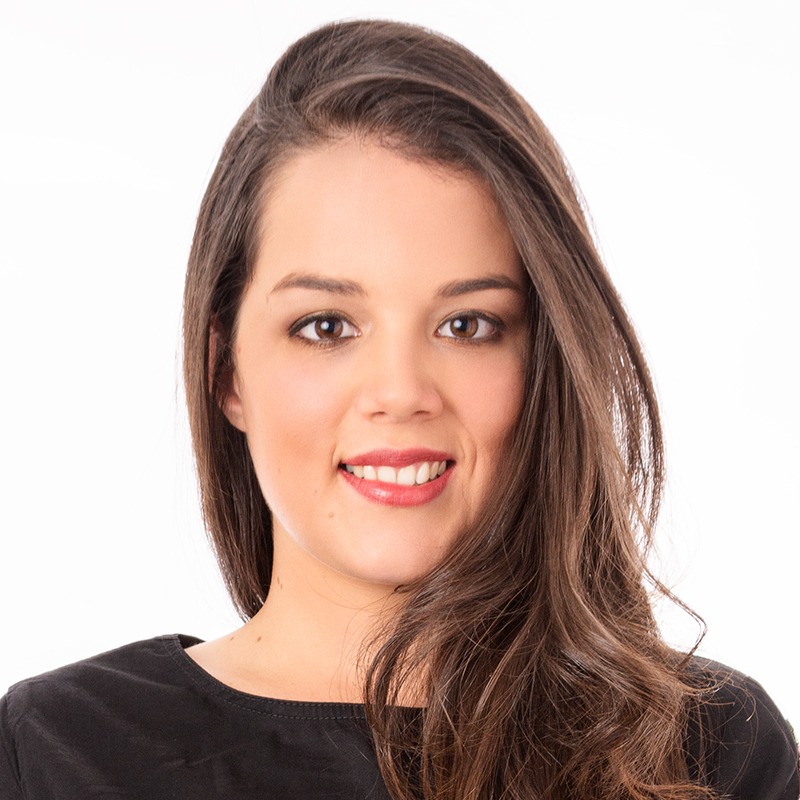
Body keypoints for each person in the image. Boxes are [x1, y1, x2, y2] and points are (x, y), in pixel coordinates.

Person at [1, 19, 796, 800]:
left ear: (543, 363)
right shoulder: (55, 753)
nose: (401, 392)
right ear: (226, 372)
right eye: (326, 327)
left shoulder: (710, 750)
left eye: (467, 325)